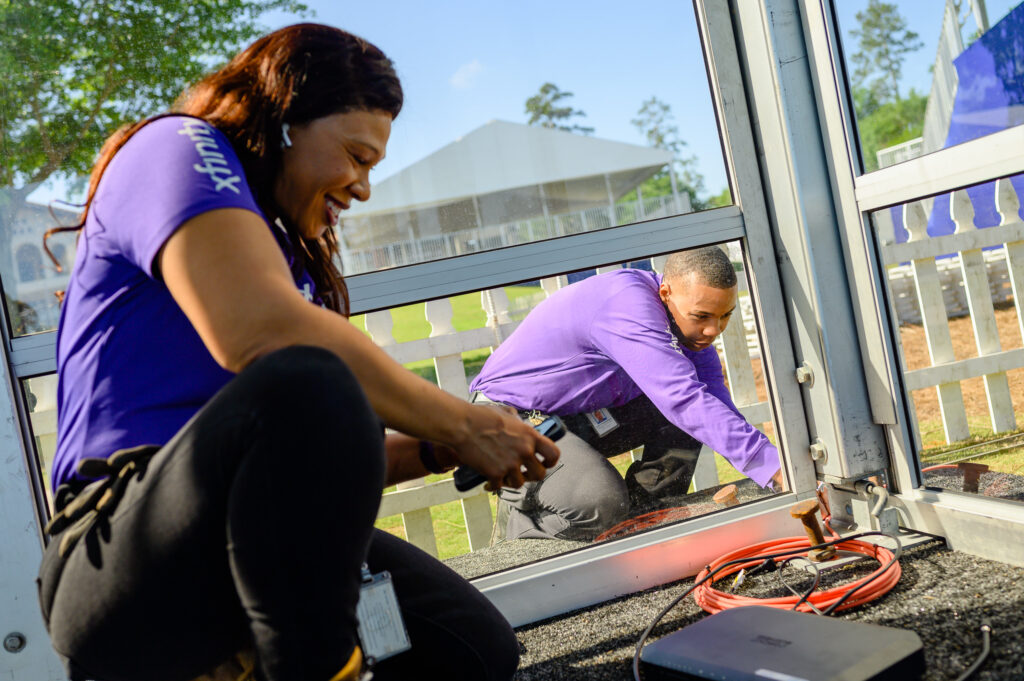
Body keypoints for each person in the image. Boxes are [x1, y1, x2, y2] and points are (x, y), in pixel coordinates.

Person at [36, 23, 559, 681]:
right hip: (123, 560)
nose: (364, 186)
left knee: (473, 647)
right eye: (357, 156)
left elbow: (310, 458)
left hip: (253, 546)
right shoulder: (174, 146)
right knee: (312, 378)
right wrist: (464, 421)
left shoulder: (288, 266)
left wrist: (437, 449)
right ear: (284, 120)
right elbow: (258, 334)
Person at [469, 246, 782, 542]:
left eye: (725, 315)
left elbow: (713, 405)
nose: (714, 330)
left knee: (699, 411)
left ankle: (643, 514)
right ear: (666, 293)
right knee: (600, 502)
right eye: (701, 316)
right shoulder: (628, 304)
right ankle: (522, 533)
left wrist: (771, 469)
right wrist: (774, 467)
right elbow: (683, 399)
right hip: (506, 421)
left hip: (567, 417)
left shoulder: (686, 332)